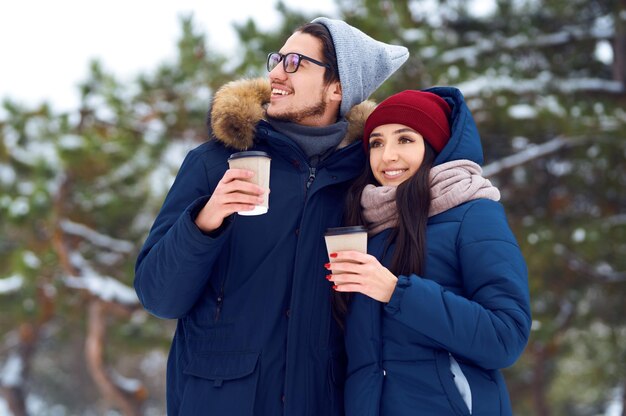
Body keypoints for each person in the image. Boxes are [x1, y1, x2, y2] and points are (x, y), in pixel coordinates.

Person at [133, 16, 409, 416]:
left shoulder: (363, 178)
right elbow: (158, 296)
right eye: (278, 59)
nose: (277, 73)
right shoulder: (215, 162)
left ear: (338, 87)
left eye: (296, 62)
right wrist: (206, 219)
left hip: (318, 400)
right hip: (217, 400)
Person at [325, 88, 532, 415]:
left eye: (405, 140)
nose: (387, 156)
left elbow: (506, 337)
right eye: (377, 143)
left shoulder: (472, 214)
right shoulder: (367, 223)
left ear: (434, 146)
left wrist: (396, 292)